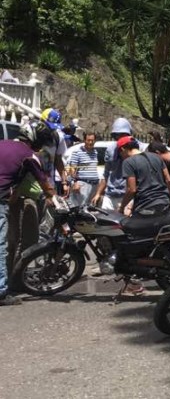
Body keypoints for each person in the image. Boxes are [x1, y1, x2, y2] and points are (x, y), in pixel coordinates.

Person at [1, 123, 58, 306]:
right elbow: (46, 185)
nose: (40, 148)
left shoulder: (3, 143)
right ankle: (1, 292)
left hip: (6, 199)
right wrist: (57, 201)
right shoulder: (29, 156)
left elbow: (13, 182)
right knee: (1, 245)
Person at [118, 136, 170, 218]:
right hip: (164, 205)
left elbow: (132, 189)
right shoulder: (156, 157)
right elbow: (169, 181)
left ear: (123, 149)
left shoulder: (128, 162)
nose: (120, 156)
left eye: (119, 152)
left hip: (144, 207)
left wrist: (121, 207)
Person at [92, 118, 138, 212]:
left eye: (123, 135)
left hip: (127, 196)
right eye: (117, 135)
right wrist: (98, 193)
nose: (120, 138)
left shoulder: (136, 148)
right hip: (110, 195)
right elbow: (106, 174)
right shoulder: (110, 149)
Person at [39, 108, 69, 197]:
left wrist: (64, 182)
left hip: (49, 186)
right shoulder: (32, 135)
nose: (51, 129)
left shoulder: (58, 137)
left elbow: (58, 160)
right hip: (32, 185)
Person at [67, 132, 101, 207]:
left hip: (94, 185)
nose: (90, 142)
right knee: (79, 208)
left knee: (91, 209)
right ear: (84, 140)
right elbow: (72, 168)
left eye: (92, 140)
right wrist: (74, 183)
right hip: (83, 184)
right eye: (88, 140)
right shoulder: (77, 152)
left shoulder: (95, 152)